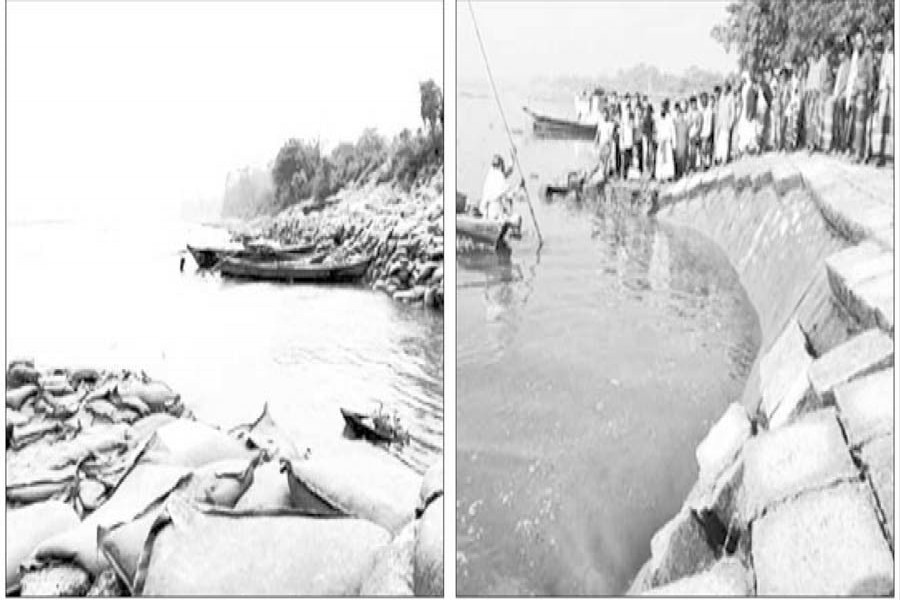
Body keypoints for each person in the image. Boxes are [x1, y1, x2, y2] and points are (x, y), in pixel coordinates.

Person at [847, 29, 874, 163]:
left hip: (864, 91)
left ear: (864, 40)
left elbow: (870, 73)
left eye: (859, 40)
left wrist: (870, 90)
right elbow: (855, 75)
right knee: (856, 123)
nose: (858, 43)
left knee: (861, 124)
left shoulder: (868, 54)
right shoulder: (857, 55)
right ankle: (857, 151)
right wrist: (852, 93)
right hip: (857, 91)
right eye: (856, 41)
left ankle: (861, 153)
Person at [826, 43, 851, 153]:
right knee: (836, 122)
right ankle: (836, 145)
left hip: (843, 96)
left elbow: (846, 82)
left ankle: (842, 146)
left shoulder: (848, 65)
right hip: (837, 96)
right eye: (839, 54)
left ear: (845, 53)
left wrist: (840, 94)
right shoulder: (841, 66)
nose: (840, 56)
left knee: (841, 123)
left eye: (841, 53)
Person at [874, 29, 893, 166]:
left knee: (892, 123)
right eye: (888, 37)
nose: (889, 40)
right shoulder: (886, 53)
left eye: (891, 37)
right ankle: (880, 154)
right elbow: (882, 73)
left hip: (893, 90)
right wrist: (880, 93)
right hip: (884, 90)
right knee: (882, 122)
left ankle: (891, 156)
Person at [478, 154, 519, 220]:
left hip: (486, 210)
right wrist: (519, 187)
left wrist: (512, 159)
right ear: (500, 165)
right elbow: (509, 195)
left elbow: (507, 173)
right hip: (495, 211)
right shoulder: (500, 178)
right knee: (516, 217)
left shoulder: (491, 174)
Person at [655, 99, 676, 182]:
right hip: (661, 141)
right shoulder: (658, 118)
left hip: (667, 142)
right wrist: (658, 139)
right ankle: (660, 176)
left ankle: (669, 175)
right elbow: (656, 130)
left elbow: (672, 130)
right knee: (660, 159)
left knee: (668, 159)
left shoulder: (669, 118)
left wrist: (674, 143)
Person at [674, 101, 690, 178]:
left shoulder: (684, 121)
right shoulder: (675, 122)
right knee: (678, 156)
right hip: (677, 141)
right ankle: (679, 172)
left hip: (683, 140)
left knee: (683, 155)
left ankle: (683, 171)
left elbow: (687, 131)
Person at [700, 92, 714, 169]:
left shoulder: (709, 110)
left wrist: (708, 133)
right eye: (702, 99)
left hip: (706, 132)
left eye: (705, 99)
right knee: (702, 150)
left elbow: (709, 122)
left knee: (706, 149)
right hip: (701, 133)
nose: (703, 101)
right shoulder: (700, 110)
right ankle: (703, 164)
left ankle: (706, 164)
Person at [642, 103, 656, 178]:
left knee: (649, 156)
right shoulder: (648, 120)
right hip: (648, 140)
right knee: (648, 156)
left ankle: (649, 171)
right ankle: (649, 171)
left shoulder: (649, 120)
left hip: (649, 140)